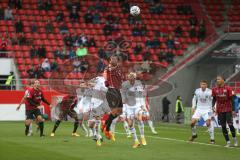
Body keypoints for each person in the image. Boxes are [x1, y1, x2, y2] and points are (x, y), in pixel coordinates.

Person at [102, 55, 125, 139]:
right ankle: (107, 130)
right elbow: (104, 73)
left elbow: (121, 77)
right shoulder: (109, 68)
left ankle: (105, 123)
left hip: (118, 91)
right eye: (112, 59)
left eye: (115, 59)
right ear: (110, 61)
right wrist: (105, 81)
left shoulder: (119, 68)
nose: (113, 60)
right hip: (112, 90)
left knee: (120, 111)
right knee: (114, 111)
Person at [121, 72, 147, 148]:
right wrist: (123, 112)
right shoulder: (124, 85)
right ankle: (136, 141)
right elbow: (123, 98)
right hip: (129, 107)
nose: (131, 80)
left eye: (133, 78)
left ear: (135, 79)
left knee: (139, 118)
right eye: (130, 78)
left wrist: (143, 105)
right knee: (130, 124)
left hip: (137, 105)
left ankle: (142, 136)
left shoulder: (138, 85)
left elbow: (141, 96)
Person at [212, 76, 238, 147]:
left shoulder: (228, 88)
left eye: (219, 79)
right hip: (219, 110)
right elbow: (214, 99)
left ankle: (234, 139)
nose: (217, 80)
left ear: (223, 80)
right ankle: (228, 142)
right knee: (223, 126)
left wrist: (233, 110)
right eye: (217, 79)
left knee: (230, 124)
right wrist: (213, 106)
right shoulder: (214, 89)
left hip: (228, 109)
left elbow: (232, 100)